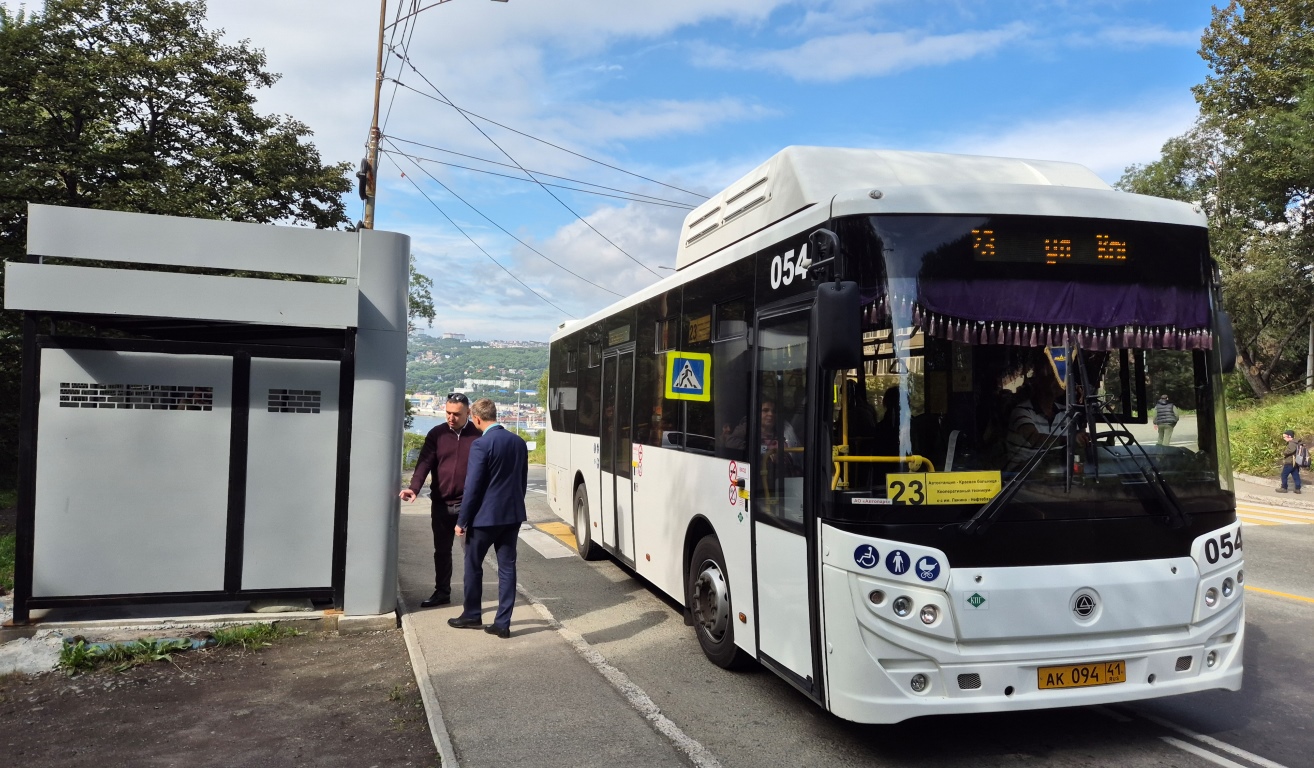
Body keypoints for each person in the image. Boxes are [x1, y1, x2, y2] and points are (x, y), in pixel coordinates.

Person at [449, 398, 529, 638]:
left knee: (473, 565)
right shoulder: (518, 442)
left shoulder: (481, 445)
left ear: (476, 419)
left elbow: (472, 487)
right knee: (507, 569)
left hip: (484, 519)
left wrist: (462, 521)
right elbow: (521, 482)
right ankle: (503, 623)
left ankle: (472, 615)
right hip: (512, 516)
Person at [399, 392, 482, 608]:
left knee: (471, 554)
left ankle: (472, 599)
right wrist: (414, 488)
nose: (451, 417)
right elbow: (424, 463)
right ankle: (442, 592)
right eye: (448, 412)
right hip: (441, 504)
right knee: (442, 551)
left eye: (456, 414)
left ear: (468, 413)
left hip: (469, 505)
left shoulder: (478, 435)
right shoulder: (437, 434)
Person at [1278, 429, 1302, 494]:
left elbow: (1290, 450)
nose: (1284, 439)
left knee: (1284, 475)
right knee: (1295, 475)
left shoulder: (1292, 443)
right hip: (1295, 462)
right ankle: (1297, 488)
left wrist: (1284, 452)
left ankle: (1284, 488)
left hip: (1290, 462)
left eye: (1284, 437)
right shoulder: (1297, 442)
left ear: (1289, 436)